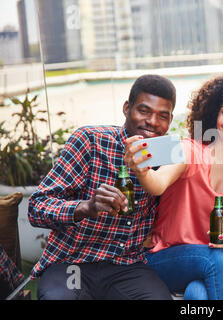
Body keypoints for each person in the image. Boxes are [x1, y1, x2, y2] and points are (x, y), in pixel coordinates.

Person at [124, 73, 223, 300]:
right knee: (219, 260)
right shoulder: (189, 150)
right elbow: (157, 185)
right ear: (213, 114)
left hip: (203, 264)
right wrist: (141, 170)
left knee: (197, 295)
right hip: (163, 258)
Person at [28, 74, 177, 300]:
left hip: (125, 267)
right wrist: (86, 207)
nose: (153, 122)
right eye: (144, 111)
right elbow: (36, 208)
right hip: (73, 263)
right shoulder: (90, 140)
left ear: (170, 120)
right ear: (127, 108)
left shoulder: (166, 153)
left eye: (162, 116)